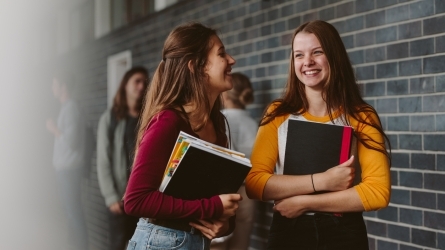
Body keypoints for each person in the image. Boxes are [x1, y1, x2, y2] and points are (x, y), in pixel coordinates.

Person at [245, 20, 391, 249]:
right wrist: (323, 181)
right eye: (299, 55)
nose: (307, 62)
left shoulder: (361, 116)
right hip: (288, 230)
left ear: (334, 56)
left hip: (343, 232)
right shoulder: (278, 113)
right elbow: (254, 183)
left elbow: (377, 192)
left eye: (317, 52)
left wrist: (304, 203)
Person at [123, 22, 242, 250]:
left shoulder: (217, 125)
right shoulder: (168, 121)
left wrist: (225, 225)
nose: (231, 60)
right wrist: (212, 208)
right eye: (221, 54)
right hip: (159, 242)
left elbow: (215, 199)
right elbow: (135, 199)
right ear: (197, 67)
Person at [96, 66, 148, 250]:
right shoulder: (110, 119)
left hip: (143, 198)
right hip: (119, 198)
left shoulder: (148, 118)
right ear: (125, 84)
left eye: (144, 82)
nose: (141, 86)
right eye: (137, 81)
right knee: (117, 244)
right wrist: (111, 197)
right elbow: (103, 160)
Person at [211, 72, 257, 250]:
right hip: (249, 193)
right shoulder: (252, 122)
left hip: (227, 193)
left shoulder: (221, 119)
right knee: (241, 244)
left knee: (219, 245)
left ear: (225, 93)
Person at [46, 72, 89, 250]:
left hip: (69, 170)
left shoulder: (70, 108)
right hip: (66, 169)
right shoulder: (67, 107)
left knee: (74, 212)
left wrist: (54, 129)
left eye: (55, 84)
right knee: (71, 212)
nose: (52, 88)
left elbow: (71, 142)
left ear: (63, 87)